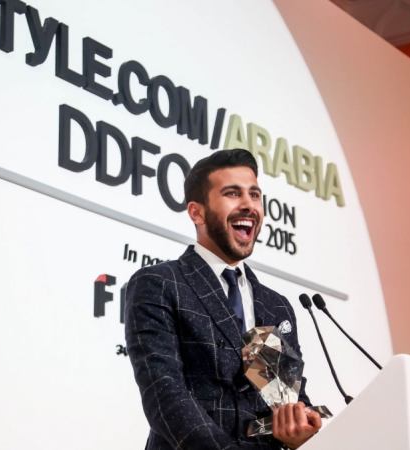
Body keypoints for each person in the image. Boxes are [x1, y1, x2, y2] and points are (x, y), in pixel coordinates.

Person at [125, 149, 322, 449]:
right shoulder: (159, 284)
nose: (249, 205)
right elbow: (165, 397)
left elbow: (285, 399)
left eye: (254, 195)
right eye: (232, 193)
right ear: (197, 212)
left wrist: (300, 426)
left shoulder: (275, 305)